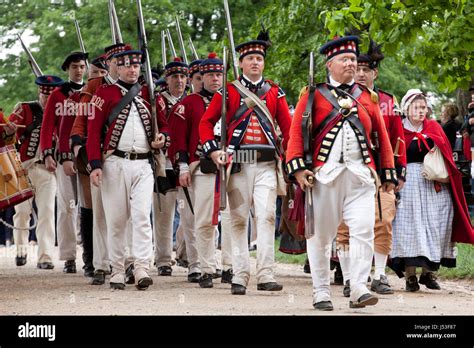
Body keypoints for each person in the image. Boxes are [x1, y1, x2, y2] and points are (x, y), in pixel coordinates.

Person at [286, 36, 397, 311]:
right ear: (330, 64)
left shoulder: (366, 97)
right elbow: (296, 137)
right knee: (321, 236)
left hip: (360, 177)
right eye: (345, 60)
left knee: (363, 231)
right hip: (324, 177)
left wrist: (387, 176)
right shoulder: (311, 95)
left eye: (353, 59)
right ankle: (321, 290)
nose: (351, 64)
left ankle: (358, 287)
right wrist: (298, 170)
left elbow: (381, 137)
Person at [199, 28, 292, 295]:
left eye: (259, 58)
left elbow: (287, 129)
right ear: (240, 62)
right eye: (249, 58)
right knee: (238, 220)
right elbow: (206, 123)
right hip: (237, 164)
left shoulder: (275, 92)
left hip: (265, 164)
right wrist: (213, 151)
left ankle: (266, 274)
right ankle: (240, 274)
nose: (254, 62)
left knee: (265, 218)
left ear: (264, 63)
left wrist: (288, 158)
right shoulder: (227, 92)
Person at [86, 48, 169, 290]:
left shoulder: (150, 94)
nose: (132, 69)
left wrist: (161, 138)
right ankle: (118, 269)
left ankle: (142, 266)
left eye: (136, 65)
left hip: (143, 164)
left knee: (142, 216)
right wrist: (95, 165)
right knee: (117, 220)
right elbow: (92, 134)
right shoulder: (103, 94)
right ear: (117, 68)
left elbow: (163, 127)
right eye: (127, 65)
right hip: (114, 164)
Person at [336, 39, 407, 297]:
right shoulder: (336, 99)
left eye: (367, 69)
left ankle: (378, 274)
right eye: (358, 69)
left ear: (374, 72)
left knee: (382, 221)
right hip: (349, 171)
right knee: (343, 227)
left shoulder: (387, 101)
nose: (362, 73)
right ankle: (348, 278)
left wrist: (398, 172)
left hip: (381, 171)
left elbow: (397, 139)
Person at [391, 89, 474, 291]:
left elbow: (445, 154)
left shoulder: (434, 127)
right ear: (406, 108)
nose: (421, 111)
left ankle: (428, 274)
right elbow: (392, 156)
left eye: (423, 107)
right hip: (408, 182)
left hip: (433, 184)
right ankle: (410, 275)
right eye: (416, 107)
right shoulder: (399, 129)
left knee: (437, 223)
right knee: (409, 226)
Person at [168, 52, 233, 288]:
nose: (216, 78)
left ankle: (229, 266)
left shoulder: (232, 100)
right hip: (201, 166)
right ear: (201, 77)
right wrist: (183, 166)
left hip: (231, 166)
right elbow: (178, 140)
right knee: (204, 219)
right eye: (211, 74)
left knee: (231, 218)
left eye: (219, 74)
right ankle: (204, 267)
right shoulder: (188, 103)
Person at [69, 43, 129, 284]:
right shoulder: (95, 86)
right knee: (101, 212)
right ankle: (101, 264)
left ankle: (128, 263)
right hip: (101, 155)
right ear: (109, 63)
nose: (120, 66)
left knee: (131, 215)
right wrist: (79, 150)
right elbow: (81, 121)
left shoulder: (139, 87)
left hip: (132, 156)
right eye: (115, 62)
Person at [3, 75, 63, 269]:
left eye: (50, 95)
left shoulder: (60, 114)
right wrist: (10, 131)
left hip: (47, 170)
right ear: (40, 92)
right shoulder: (26, 109)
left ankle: (45, 256)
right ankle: (20, 251)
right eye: (44, 95)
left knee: (47, 212)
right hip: (24, 169)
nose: (47, 99)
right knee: (21, 213)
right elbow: (7, 134)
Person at [40, 51, 87, 274]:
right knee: (68, 207)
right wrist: (48, 154)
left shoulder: (91, 92)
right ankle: (69, 256)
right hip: (65, 155)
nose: (79, 70)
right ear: (68, 70)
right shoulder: (58, 95)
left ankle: (92, 252)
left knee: (90, 207)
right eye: (75, 66)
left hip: (87, 156)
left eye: (82, 66)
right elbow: (48, 126)